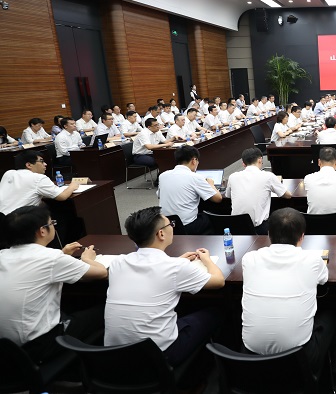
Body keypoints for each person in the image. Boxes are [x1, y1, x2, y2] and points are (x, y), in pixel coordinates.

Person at [104, 207, 224, 367]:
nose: (172, 227)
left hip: (113, 355)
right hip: (158, 356)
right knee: (216, 312)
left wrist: (178, 262)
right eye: (170, 225)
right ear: (161, 234)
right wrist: (207, 260)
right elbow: (218, 281)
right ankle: (203, 373)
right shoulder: (175, 267)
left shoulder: (118, 263)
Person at [0, 206, 107, 363]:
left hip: (7, 347)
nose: (54, 226)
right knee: (105, 309)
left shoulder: (3, 255)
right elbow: (101, 273)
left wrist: (63, 255)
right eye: (52, 223)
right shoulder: (51, 258)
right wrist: (87, 258)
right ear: (42, 231)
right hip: (39, 344)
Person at [241, 207, 336, 374]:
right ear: (302, 237)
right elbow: (323, 279)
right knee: (332, 315)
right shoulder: (313, 260)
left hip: (251, 359)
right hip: (299, 360)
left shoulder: (249, 258)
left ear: (268, 234)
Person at [158, 146, 222, 235]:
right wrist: (210, 184)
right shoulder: (195, 177)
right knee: (210, 217)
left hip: (166, 225)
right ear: (194, 160)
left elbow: (159, 195)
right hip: (187, 226)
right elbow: (218, 198)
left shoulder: (163, 176)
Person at [226, 148, 291, 233]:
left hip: (236, 229)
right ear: (260, 160)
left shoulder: (232, 177)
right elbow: (288, 195)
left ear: (243, 163)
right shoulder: (268, 176)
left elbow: (228, 196)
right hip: (259, 229)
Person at [0, 151, 79, 215]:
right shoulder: (38, 178)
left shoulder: (9, 173)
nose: (45, 164)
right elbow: (62, 196)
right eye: (41, 161)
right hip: (20, 221)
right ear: (29, 165)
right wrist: (72, 186)